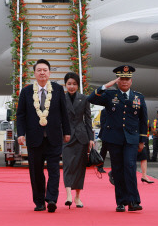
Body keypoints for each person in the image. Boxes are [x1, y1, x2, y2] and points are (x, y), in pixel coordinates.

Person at [88, 65, 148, 212]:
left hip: (131, 139)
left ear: (131, 81)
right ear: (117, 80)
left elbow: (143, 119)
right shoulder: (110, 95)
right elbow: (91, 98)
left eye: (127, 79)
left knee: (130, 167)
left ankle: (133, 201)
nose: (125, 82)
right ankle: (121, 202)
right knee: (118, 169)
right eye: (122, 79)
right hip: (114, 138)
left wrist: (142, 141)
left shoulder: (138, 97)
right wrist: (105, 86)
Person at [16, 59, 71, 213]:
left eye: (45, 70)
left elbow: (64, 113)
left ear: (49, 73)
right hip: (34, 139)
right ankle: (39, 201)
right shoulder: (26, 91)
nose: (42, 73)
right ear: (34, 73)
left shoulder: (58, 89)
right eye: (39, 70)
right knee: (36, 172)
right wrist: (20, 133)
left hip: (54, 137)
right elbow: (20, 115)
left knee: (54, 170)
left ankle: (52, 199)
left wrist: (67, 132)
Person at [61, 72, 94, 209]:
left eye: (74, 84)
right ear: (65, 85)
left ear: (78, 85)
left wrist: (91, 138)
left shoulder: (84, 98)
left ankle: (78, 197)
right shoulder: (61, 99)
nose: (71, 86)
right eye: (69, 84)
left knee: (80, 168)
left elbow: (88, 119)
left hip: (81, 137)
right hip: (66, 136)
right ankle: (68, 194)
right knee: (68, 165)